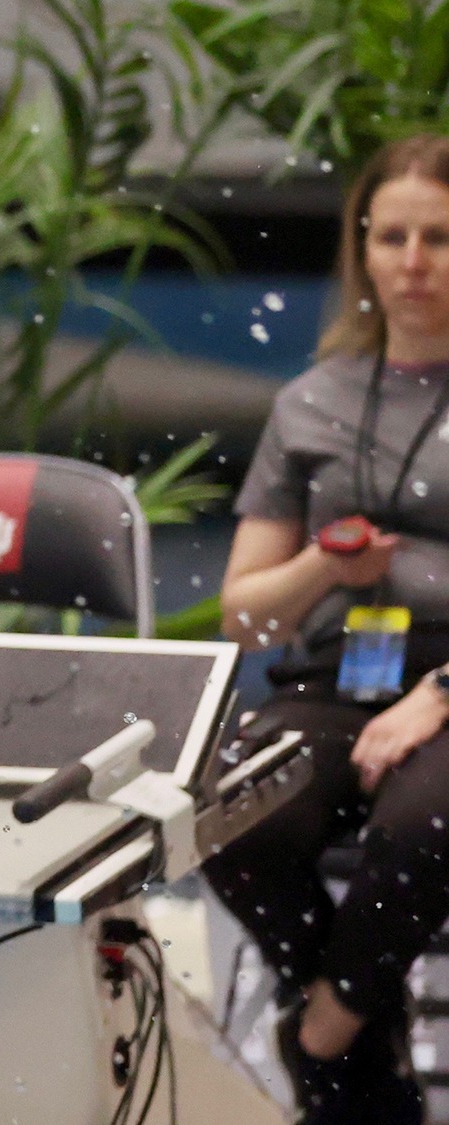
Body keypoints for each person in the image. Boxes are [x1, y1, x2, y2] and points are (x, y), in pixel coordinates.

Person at [205, 133, 449, 1125]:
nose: (410, 260)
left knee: (418, 824)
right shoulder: (308, 403)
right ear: (361, 250)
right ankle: (360, 1025)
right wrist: (322, 566)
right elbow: (243, 611)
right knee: (230, 813)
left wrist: (435, 698)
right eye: (388, 236)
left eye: (436, 237)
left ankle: (318, 1045)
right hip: (336, 673)